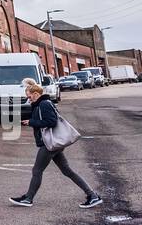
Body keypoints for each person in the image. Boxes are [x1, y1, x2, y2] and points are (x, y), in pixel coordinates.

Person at [10, 78, 102, 208]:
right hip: (54, 144)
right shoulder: (41, 104)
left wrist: (31, 122)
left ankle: (28, 198)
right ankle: (92, 195)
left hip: (49, 144)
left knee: (37, 170)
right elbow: (44, 119)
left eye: (29, 97)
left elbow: (51, 122)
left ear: (36, 94)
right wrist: (30, 121)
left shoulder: (44, 104)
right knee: (67, 171)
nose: (28, 99)